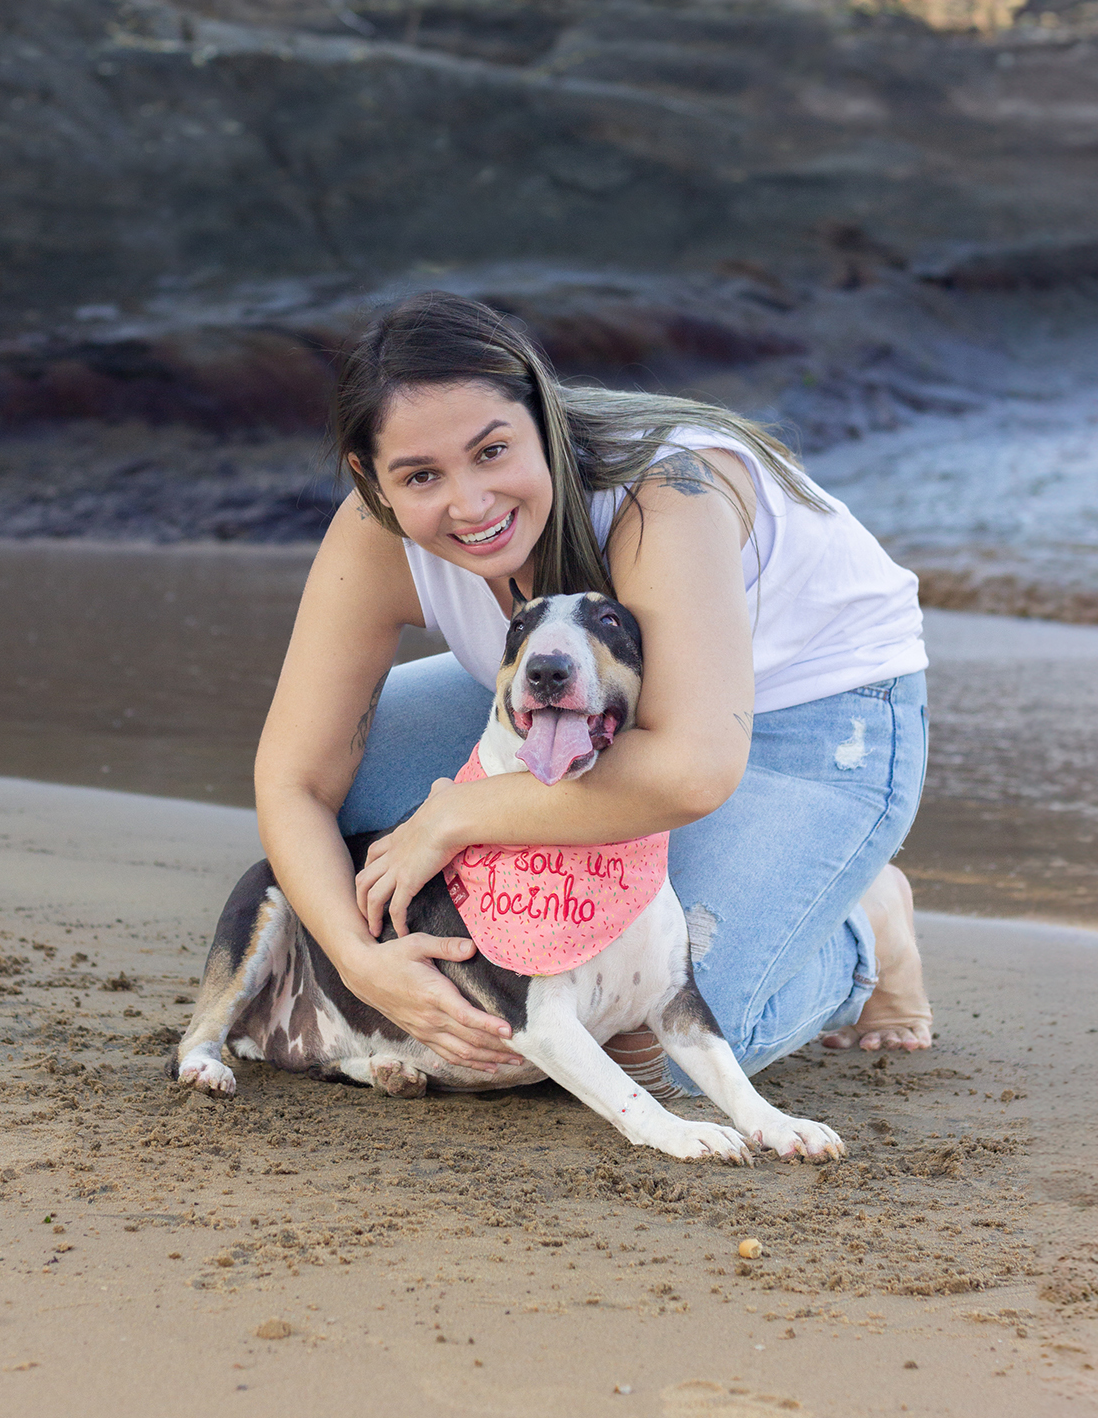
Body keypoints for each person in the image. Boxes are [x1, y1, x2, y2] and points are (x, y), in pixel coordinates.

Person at [254, 292, 933, 1095]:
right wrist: (361, 964)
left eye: (493, 451)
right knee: (344, 806)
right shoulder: (375, 535)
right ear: (373, 476)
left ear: (544, 418)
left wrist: (455, 814)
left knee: (658, 1050)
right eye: (421, 475)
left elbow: (692, 770)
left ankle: (862, 924)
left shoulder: (665, 492)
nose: (470, 505)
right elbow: (294, 778)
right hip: (568, 706)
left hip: (810, 719)